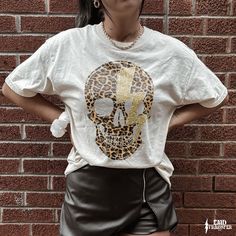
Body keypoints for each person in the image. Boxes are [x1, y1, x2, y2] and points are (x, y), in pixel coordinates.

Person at [2, 0, 229, 236]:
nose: (119, 120)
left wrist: (169, 123)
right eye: (104, 107)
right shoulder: (68, 46)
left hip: (147, 189)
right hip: (87, 191)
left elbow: (216, 97)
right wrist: (61, 118)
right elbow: (13, 88)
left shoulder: (171, 53)